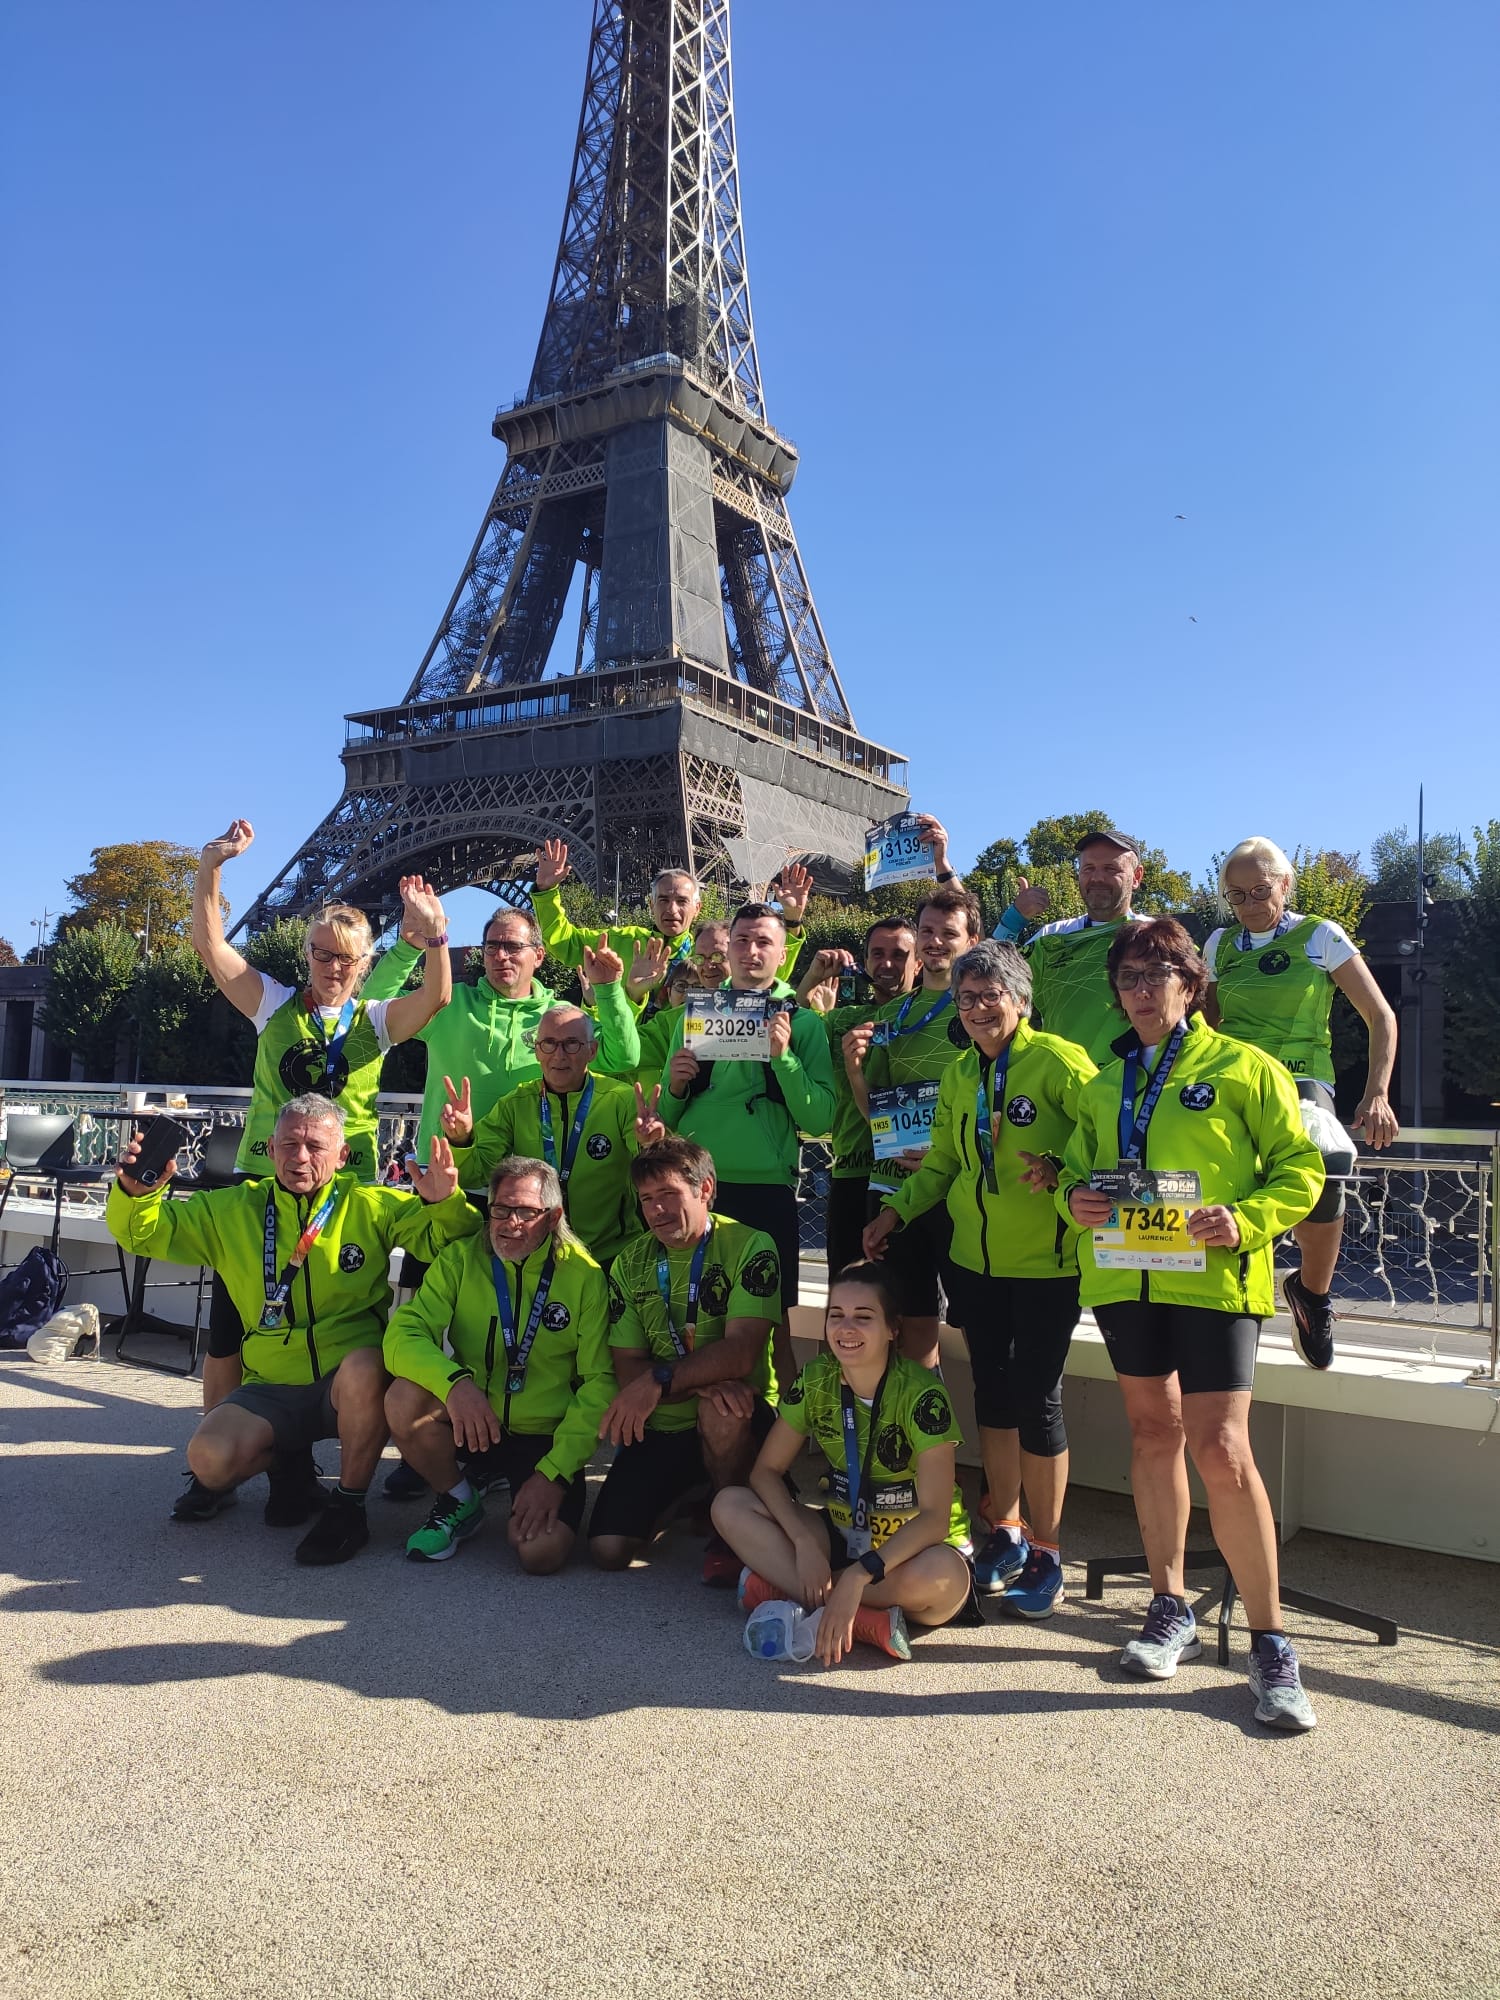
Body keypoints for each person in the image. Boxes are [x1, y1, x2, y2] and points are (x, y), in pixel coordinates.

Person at [1056, 918, 1325, 1730]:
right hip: (1126, 1274)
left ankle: (1272, 1643)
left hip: (1213, 1281)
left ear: (1190, 982)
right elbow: (1077, 1169)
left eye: (1156, 975)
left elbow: (1301, 1168)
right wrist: (1076, 1199)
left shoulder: (1248, 1068)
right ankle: (1168, 1604)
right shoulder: (1104, 1083)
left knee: (1221, 1447)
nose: (1140, 991)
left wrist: (1245, 1220)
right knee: (1151, 1432)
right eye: (1128, 978)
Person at [105, 1098, 481, 1563]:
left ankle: (348, 1507)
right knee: (208, 1460)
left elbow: (455, 1239)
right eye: (289, 1143)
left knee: (367, 1363)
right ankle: (289, 1465)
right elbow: (143, 1234)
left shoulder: (373, 1206)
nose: (300, 1157)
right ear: (270, 1149)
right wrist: (135, 1195)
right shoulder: (231, 1208)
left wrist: (445, 1203)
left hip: (345, 1382)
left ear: (342, 1156)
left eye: (314, 1146)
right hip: (269, 1384)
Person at [189, 819, 452, 1425]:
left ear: (365, 963)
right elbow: (210, 946)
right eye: (322, 953)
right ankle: (210, 1454)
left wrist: (436, 936)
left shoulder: (379, 1020)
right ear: (306, 954)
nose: (333, 966)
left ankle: (302, 1439)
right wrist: (212, 866)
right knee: (230, 1324)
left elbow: (435, 998)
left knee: (321, 1317)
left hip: (344, 1190)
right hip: (263, 1180)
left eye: (347, 957)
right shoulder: (273, 1003)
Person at [863, 939, 1096, 1616]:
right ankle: (1010, 1531)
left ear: (1021, 1002)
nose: (977, 1009)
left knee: (1037, 1399)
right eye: (967, 998)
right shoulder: (961, 1075)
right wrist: (893, 1215)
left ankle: (1049, 1550)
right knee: (992, 1396)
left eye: (991, 996)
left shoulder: (1058, 1062)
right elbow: (940, 1166)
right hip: (977, 1262)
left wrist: (1063, 1170)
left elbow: (1106, 1138)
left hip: (1048, 1262)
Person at [712, 1263, 975, 1664]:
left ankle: (808, 1595)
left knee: (943, 1576)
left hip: (913, 1551)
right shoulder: (816, 1378)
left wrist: (859, 1574)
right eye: (836, 1315)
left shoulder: (923, 1395)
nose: (846, 1328)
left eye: (863, 1318)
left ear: (892, 1329)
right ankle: (866, 1619)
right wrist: (802, 1542)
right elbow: (765, 1472)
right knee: (729, 1505)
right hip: (842, 1532)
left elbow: (936, 1518)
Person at [1202, 837, 1400, 1369]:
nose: (1249, 905)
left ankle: (1312, 1294)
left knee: (1327, 1163)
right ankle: (1234, 1300)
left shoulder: (1320, 936)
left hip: (1302, 1078)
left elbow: (1381, 1015)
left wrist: (1376, 1092)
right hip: (1239, 1080)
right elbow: (1209, 1027)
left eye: (1260, 891)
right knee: (1229, 1176)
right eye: (1236, 896)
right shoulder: (1218, 945)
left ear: (1285, 885)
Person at [383, 1157, 614, 1572]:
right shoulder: (460, 1258)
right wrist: (455, 1385)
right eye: (501, 1209)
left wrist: (554, 1474)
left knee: (539, 1554)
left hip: (542, 1433)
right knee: (403, 1398)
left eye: (526, 1212)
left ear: (553, 1216)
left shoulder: (584, 1275)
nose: (510, 1223)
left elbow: (600, 1383)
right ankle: (458, 1499)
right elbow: (401, 1336)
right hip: (476, 1418)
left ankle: (521, 1480)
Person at [656, 902, 836, 1384]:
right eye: (742, 940)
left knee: (775, 1327)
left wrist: (784, 1060)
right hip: (700, 1190)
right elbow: (666, 1119)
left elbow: (821, 1118)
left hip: (766, 1189)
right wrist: (674, 1086)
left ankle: (784, 1433)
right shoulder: (692, 1018)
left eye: (764, 943)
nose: (751, 951)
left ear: (782, 955)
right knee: (700, 1318)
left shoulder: (804, 1025)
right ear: (728, 948)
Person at [589, 1137, 782, 1583]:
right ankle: (693, 1495)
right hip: (666, 1420)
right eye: (647, 1200)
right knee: (607, 1550)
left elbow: (741, 1351)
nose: (656, 1210)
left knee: (723, 1409)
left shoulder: (751, 1244)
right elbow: (628, 1366)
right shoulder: (629, 1261)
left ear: (705, 1189)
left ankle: (732, 1525)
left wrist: (659, 1380)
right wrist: (678, 1381)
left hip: (740, 1415)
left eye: (669, 1194)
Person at [363, 909, 639, 1159]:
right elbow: (370, 1011)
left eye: (513, 946)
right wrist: (407, 949)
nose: (501, 956)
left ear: (539, 956)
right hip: (448, 1171)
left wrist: (609, 990)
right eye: (492, 946)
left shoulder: (561, 1018)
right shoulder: (447, 1003)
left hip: (527, 1179)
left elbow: (623, 1057)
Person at [842, 884, 983, 1365]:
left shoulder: (983, 1011)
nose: (936, 941)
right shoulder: (888, 1017)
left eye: (949, 933)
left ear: (972, 940)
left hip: (960, 1186)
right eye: (927, 931)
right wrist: (855, 1071)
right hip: (895, 1187)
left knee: (977, 1326)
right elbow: (874, 1113)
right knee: (910, 1326)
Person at [440, 1003, 651, 1266]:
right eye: (548, 1043)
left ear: (592, 1050)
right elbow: (474, 1173)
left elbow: (653, 1170)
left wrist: (651, 1145)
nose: (559, 1055)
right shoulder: (516, 1104)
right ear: (537, 1051)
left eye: (571, 1044)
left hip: (609, 1256)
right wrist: (461, 1140)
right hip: (538, 1256)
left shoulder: (620, 1100)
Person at [795, 920, 917, 1279]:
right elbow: (794, 1028)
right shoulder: (843, 1020)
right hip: (852, 1172)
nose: (887, 963)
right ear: (864, 961)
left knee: (911, 1304)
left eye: (899, 954)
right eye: (877, 954)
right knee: (847, 1291)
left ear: (919, 963)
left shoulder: (934, 1017)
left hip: (913, 1178)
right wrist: (812, 976)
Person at [530, 842, 811, 996]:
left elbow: (764, 977)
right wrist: (546, 891)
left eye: (681, 902)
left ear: (697, 908)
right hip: (639, 1064)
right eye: (663, 900)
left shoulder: (713, 951)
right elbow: (563, 940)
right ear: (650, 904)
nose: (672, 910)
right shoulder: (620, 941)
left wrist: (793, 919)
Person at [992, 828, 1143, 1065]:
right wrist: (1014, 918)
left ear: (1136, 877)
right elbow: (988, 978)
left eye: (1111, 869)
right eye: (1088, 869)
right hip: (1060, 1087)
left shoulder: (1157, 938)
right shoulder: (1052, 937)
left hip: (1134, 1089)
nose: (1098, 878)